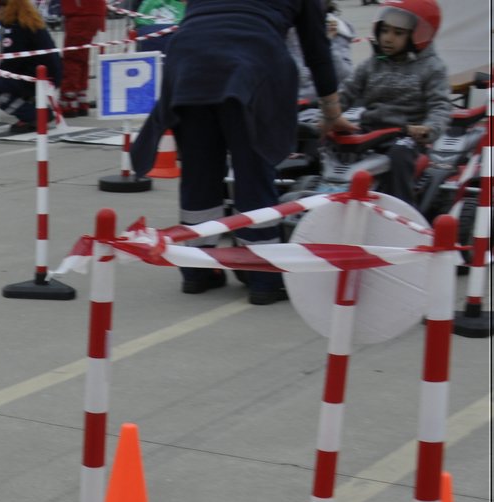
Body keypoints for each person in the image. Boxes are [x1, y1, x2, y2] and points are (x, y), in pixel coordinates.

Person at [130, 0, 344, 305]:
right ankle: (263, 277)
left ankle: (196, 270)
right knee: (253, 172)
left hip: (190, 63)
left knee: (198, 173)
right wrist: (332, 113)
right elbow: (316, 50)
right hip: (251, 62)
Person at [327, 0, 448, 208]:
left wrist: (429, 129)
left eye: (398, 33)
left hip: (406, 135)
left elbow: (441, 106)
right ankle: (322, 195)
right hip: (370, 130)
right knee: (328, 143)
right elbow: (346, 93)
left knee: (400, 154)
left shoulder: (432, 68)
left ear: (418, 36)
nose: (387, 38)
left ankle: (401, 209)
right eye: (384, 30)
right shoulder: (370, 65)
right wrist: (328, 116)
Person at [0, 0, 60, 135]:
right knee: (7, 79)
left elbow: (9, 65)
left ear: (4, 8)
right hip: (51, 76)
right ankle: (34, 107)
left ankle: (33, 115)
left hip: (37, 78)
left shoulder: (15, 29)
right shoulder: (31, 21)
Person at [57, 0, 105, 117]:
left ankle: (69, 99)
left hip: (80, 13)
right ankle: (80, 98)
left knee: (72, 58)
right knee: (82, 57)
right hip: (91, 12)